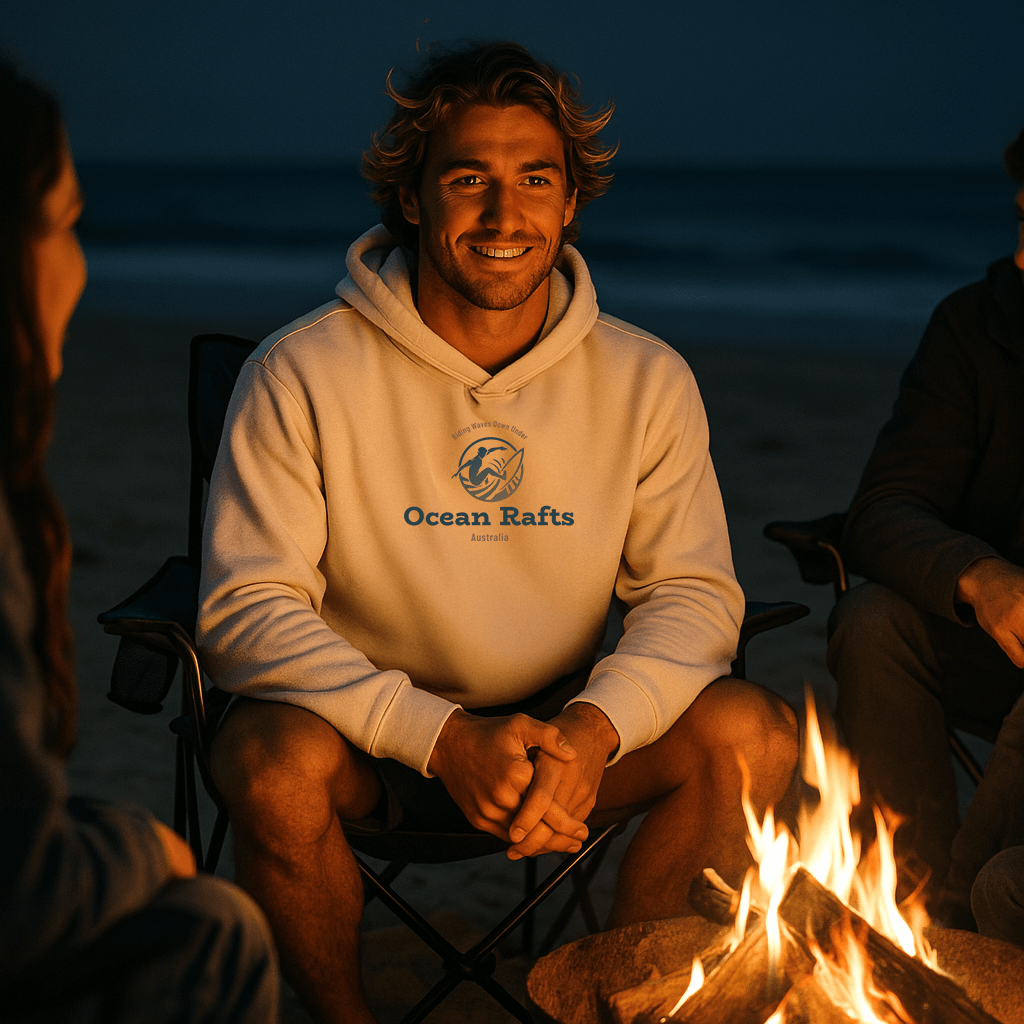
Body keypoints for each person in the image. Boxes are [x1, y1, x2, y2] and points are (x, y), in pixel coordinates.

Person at [197, 42, 799, 1023]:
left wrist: (594, 727)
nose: (502, 213)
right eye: (468, 179)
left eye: (534, 181)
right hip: (362, 742)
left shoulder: (646, 379)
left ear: (569, 205)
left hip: (563, 745)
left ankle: (613, 1004)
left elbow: (691, 595)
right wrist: (439, 739)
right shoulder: (299, 370)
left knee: (749, 730)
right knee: (271, 760)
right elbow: (245, 609)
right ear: (413, 199)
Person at [0, 58, 280, 1021]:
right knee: (212, 928)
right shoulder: (306, 378)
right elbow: (17, 900)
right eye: (68, 224)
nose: (81, 266)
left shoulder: (640, 384)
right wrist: (140, 847)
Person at [827, 127, 1024, 926]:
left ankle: (951, 934)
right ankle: (906, 912)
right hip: (999, 644)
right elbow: (885, 508)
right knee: (874, 620)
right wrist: (982, 576)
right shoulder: (977, 326)